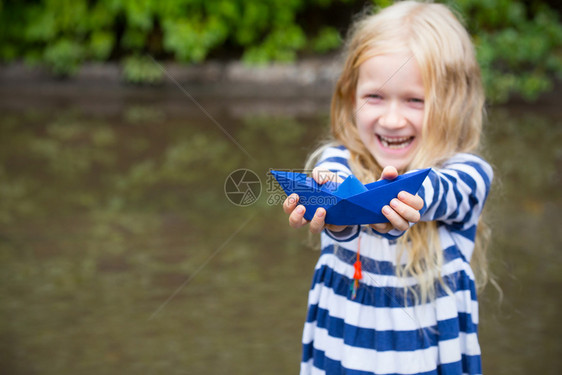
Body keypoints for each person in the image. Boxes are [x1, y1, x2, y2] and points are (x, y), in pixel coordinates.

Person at [282, 1, 494, 374]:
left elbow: (440, 192)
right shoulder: (336, 160)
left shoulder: (469, 175)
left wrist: (398, 205)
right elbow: (330, 179)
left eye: (415, 100)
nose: (392, 119)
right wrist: (328, 205)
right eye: (375, 97)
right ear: (351, 96)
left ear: (455, 105)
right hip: (344, 358)